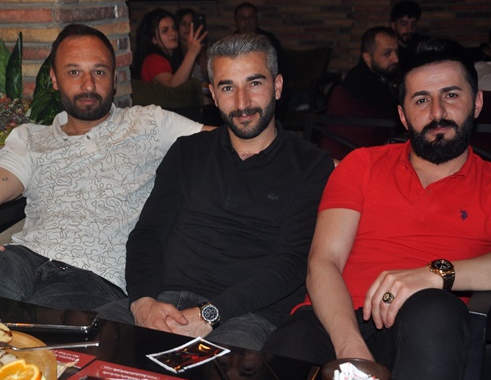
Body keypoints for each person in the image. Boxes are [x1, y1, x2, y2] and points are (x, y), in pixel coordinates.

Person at [264, 39, 491, 380]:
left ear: (476, 103)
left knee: (434, 308)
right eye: (421, 100)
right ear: (402, 114)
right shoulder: (362, 164)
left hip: (423, 335)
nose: (437, 112)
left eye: (451, 95)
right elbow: (323, 262)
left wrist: (435, 274)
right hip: (337, 319)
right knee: (283, 362)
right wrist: (351, 350)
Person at [95, 33, 334, 350]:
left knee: (210, 374)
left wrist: (209, 315)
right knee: (85, 348)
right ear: (213, 95)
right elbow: (148, 234)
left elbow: (291, 263)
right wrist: (143, 302)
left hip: (246, 315)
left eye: (254, 83)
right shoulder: (188, 152)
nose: (242, 103)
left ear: (277, 86)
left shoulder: (310, 165)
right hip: (163, 302)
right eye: (227, 87)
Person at [0, 24, 207, 310]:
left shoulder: (149, 123)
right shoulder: (31, 138)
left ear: (114, 78)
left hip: (95, 278)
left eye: (99, 72)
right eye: (73, 72)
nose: (88, 85)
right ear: (54, 79)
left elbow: (225, 142)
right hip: (23, 258)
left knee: (47, 321)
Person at [132, 8, 206, 87]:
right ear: (154, 39)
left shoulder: (174, 57)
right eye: (165, 31)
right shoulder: (152, 60)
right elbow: (173, 87)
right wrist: (192, 53)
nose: (173, 33)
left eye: (174, 28)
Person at [341, 26, 400, 120]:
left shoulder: (386, 72)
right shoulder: (359, 83)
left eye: (396, 51)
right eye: (387, 54)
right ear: (367, 57)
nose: (396, 59)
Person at [233, 2, 289, 82]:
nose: (247, 21)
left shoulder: (269, 41)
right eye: (242, 18)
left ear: (256, 20)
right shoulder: (230, 44)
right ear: (236, 21)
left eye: (251, 17)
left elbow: (281, 68)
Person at [174, 8, 208, 83]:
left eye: (191, 24)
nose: (188, 27)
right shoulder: (172, 50)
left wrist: (202, 54)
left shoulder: (201, 48)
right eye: (183, 24)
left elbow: (207, 76)